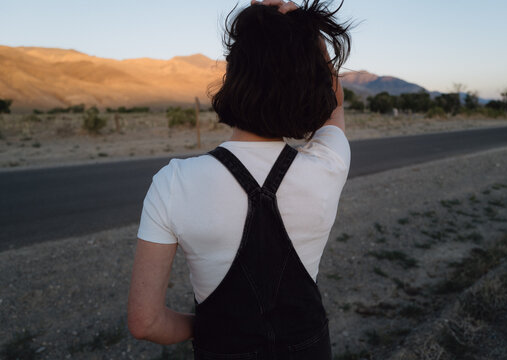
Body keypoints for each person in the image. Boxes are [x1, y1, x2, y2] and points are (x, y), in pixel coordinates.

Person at [128, 0, 352, 358]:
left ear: (233, 76)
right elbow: (334, 105)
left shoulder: (174, 184)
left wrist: (209, 326)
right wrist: (308, 37)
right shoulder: (328, 165)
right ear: (311, 83)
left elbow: (145, 322)